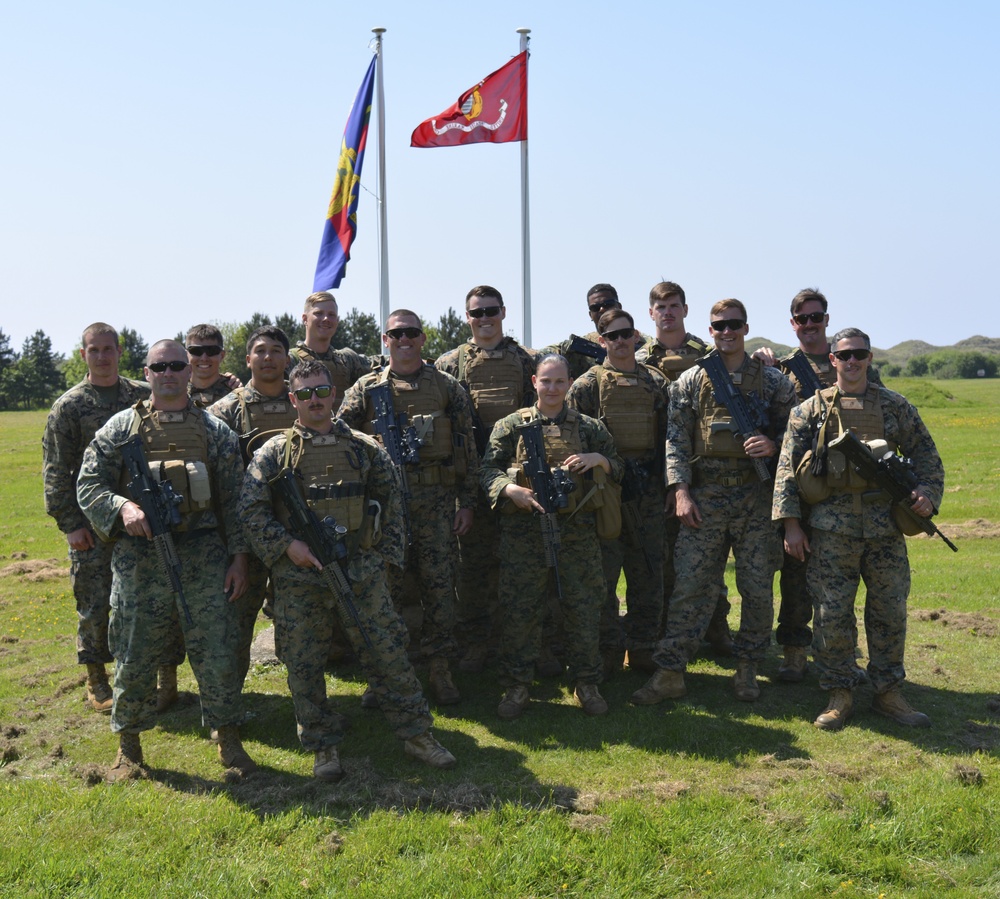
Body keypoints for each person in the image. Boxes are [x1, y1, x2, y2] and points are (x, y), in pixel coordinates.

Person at [238, 359, 457, 779]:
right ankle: (322, 745)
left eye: (321, 391)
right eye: (305, 394)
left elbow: (393, 505)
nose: (315, 400)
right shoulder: (274, 453)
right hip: (300, 578)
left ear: (334, 394)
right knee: (303, 663)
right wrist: (288, 546)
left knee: (388, 653)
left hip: (360, 572)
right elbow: (251, 511)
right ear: (292, 400)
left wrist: (380, 562)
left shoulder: (364, 447)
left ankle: (417, 735)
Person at [77, 339, 256, 781]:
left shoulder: (213, 432)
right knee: (133, 649)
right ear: (148, 371)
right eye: (161, 366)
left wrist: (239, 560)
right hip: (140, 559)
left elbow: (236, 500)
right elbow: (89, 483)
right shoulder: (122, 428)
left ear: (189, 371)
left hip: (203, 554)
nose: (170, 372)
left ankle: (228, 740)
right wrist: (122, 508)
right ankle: (129, 745)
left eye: (178, 365)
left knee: (217, 648)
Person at [773, 327, 944, 730]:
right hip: (831, 530)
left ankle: (888, 692)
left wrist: (927, 495)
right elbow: (787, 468)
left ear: (869, 358)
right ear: (832, 359)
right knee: (832, 615)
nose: (852, 361)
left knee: (889, 611)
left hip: (885, 528)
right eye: (844, 355)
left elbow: (927, 457)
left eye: (859, 354)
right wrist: (791, 525)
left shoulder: (894, 406)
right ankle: (840, 691)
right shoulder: (810, 410)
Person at [631, 299, 796, 706]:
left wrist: (774, 444)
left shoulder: (773, 382)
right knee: (690, 586)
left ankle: (747, 667)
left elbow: (798, 437)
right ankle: (671, 671)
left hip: (755, 499)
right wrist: (680, 491)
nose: (727, 332)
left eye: (734, 324)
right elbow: (675, 439)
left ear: (745, 326)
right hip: (704, 497)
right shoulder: (691, 380)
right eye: (719, 326)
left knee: (757, 589)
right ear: (709, 330)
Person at [339, 310, 479, 706]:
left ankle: (439, 668)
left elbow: (467, 450)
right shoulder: (366, 388)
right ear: (385, 339)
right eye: (396, 333)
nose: (404, 339)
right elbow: (337, 434)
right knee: (384, 592)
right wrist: (372, 445)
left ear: (421, 338)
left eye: (411, 333)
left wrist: (466, 504)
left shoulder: (447, 386)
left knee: (439, 588)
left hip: (436, 504)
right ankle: (384, 674)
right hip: (384, 507)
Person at [480, 353, 624, 719]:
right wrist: (509, 490)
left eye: (560, 381)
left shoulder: (589, 427)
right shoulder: (511, 426)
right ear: (534, 382)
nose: (553, 388)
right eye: (546, 381)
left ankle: (586, 683)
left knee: (584, 607)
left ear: (569, 383)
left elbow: (619, 466)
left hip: (576, 532)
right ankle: (516, 686)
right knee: (520, 609)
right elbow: (487, 471)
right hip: (523, 534)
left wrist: (598, 460)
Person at [752, 288, 882, 682]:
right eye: (802, 318)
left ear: (826, 319)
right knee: (795, 573)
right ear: (793, 324)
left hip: (848, 489)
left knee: (844, 579)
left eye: (816, 317)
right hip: (803, 481)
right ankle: (793, 651)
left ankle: (844, 655)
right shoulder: (780, 369)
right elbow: (768, 418)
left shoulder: (854, 362)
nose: (809, 324)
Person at [42, 323, 150, 713]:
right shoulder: (70, 406)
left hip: (139, 518)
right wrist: (70, 524)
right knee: (94, 600)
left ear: (120, 351)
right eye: (94, 349)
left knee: (139, 598)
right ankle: (96, 679)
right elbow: (56, 470)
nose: (102, 356)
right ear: (84, 353)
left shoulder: (142, 394)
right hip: (92, 522)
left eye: (108, 349)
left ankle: (139, 673)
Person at [435, 285, 537, 673]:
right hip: (470, 482)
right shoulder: (449, 364)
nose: (484, 318)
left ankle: (523, 644)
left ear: (504, 312)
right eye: (476, 313)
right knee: (473, 568)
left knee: (520, 566)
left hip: (516, 479)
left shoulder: (526, 361)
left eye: (490, 311)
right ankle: (476, 644)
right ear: (467, 318)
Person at [566, 309, 669, 675]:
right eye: (612, 335)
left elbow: (667, 439)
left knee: (647, 573)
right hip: (603, 495)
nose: (621, 341)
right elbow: (573, 440)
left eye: (626, 334)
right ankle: (609, 648)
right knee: (602, 575)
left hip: (648, 496)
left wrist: (668, 487)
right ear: (601, 340)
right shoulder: (586, 385)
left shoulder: (656, 382)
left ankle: (642, 647)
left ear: (636, 335)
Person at [635, 281, 733, 655]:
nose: (668, 313)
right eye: (661, 307)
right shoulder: (638, 355)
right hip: (651, 465)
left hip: (701, 466)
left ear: (686, 310)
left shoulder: (708, 354)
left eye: (674, 305)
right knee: (658, 554)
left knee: (706, 555)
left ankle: (716, 626)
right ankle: (662, 628)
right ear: (651, 313)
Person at [208, 325, 298, 687]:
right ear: (247, 360)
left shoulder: (303, 401)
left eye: (276, 351)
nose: (268, 358)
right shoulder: (225, 411)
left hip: (296, 531)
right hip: (246, 536)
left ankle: (307, 704)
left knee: (298, 623)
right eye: (260, 351)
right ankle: (227, 705)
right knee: (236, 624)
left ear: (287, 359)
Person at [287, 291, 371, 412]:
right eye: (318, 313)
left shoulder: (347, 360)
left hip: (341, 430)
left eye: (331, 314)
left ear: (337, 321)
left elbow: (384, 363)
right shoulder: (289, 360)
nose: (326, 318)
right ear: (305, 319)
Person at [540, 283, 645, 379]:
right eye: (595, 307)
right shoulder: (579, 347)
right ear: (590, 315)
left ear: (619, 307)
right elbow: (540, 356)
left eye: (608, 304)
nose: (602, 310)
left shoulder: (644, 344)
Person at [186, 324, 241, 409]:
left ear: (222, 355)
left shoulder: (235, 392)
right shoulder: (176, 390)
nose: (204, 358)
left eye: (211, 351)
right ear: (186, 355)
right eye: (196, 351)